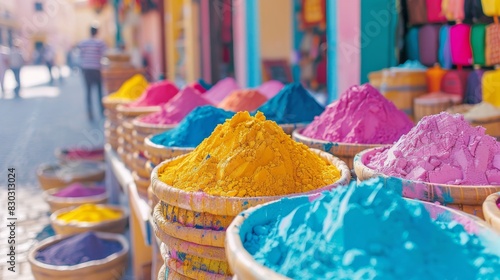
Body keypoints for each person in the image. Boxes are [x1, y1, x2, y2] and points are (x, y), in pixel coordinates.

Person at [78, 25, 107, 120]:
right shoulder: (100, 43)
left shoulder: (83, 43)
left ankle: (89, 112)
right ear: (97, 32)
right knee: (99, 91)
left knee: (88, 91)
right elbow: (104, 54)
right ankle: (102, 111)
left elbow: (81, 55)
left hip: (86, 69)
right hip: (96, 69)